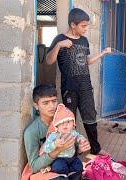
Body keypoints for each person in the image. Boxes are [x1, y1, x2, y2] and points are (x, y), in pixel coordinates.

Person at [46, 8, 112, 155]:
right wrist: (59, 46)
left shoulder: (84, 40)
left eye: (87, 25)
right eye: (83, 26)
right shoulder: (59, 39)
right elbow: (49, 61)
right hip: (69, 88)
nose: (86, 29)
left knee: (90, 117)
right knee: (69, 121)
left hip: (85, 86)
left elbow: (87, 61)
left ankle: (96, 148)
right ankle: (71, 152)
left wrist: (102, 53)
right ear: (73, 25)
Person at [23, 84, 90, 180]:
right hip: (44, 170)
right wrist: (57, 149)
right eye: (45, 103)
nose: (52, 106)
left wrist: (79, 148)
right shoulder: (32, 132)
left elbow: (70, 152)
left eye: (54, 101)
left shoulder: (65, 122)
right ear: (36, 106)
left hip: (65, 165)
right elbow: (34, 166)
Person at [43, 103, 87, 176]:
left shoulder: (73, 133)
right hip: (58, 158)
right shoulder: (54, 135)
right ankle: (64, 176)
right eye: (62, 122)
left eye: (68, 122)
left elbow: (78, 136)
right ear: (56, 125)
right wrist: (54, 144)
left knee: (79, 166)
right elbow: (46, 148)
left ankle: (72, 175)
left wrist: (80, 140)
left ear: (73, 124)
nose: (65, 125)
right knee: (59, 167)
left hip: (72, 157)